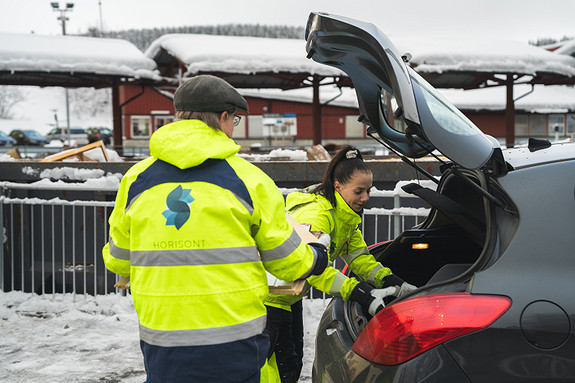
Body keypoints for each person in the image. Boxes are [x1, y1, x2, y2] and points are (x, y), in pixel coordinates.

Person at [102, 75, 329, 383]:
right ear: (224, 117)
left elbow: (117, 260)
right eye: (235, 119)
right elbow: (287, 263)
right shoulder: (249, 180)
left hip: (163, 343)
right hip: (234, 344)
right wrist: (316, 256)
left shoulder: (135, 180)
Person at [264, 145, 417, 383]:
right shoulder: (317, 216)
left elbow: (360, 259)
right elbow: (311, 269)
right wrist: (359, 293)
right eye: (359, 191)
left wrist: (392, 282)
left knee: (291, 366)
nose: (366, 198)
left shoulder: (344, 219)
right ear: (338, 187)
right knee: (275, 371)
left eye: (369, 191)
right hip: (268, 301)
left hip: (287, 298)